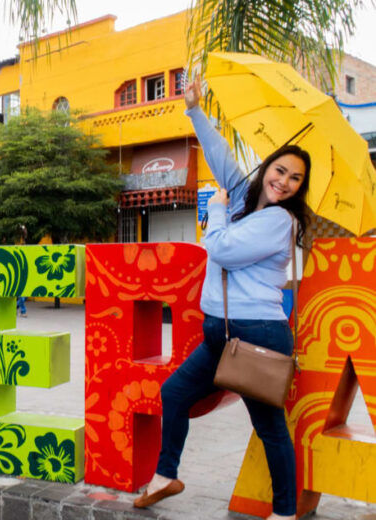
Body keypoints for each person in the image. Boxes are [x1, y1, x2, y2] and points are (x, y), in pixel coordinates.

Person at [133, 77, 310, 520]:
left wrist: (214, 209)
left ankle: (285, 513)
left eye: (295, 178)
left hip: (258, 336)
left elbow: (222, 249)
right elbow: (223, 159)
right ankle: (166, 476)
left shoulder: (278, 222)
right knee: (173, 395)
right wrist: (193, 109)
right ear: (267, 167)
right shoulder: (248, 205)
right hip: (223, 335)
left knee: (269, 427)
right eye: (279, 170)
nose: (284, 181)